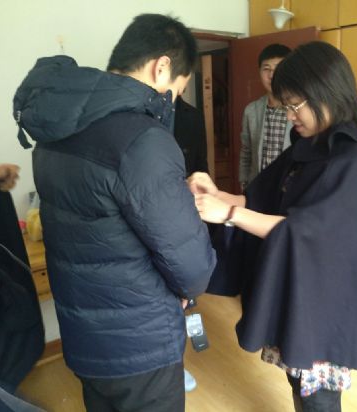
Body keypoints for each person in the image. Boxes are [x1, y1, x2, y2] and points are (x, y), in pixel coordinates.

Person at [13, 14, 216, 412]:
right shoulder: (143, 138)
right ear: (162, 67)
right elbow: (192, 267)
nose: (172, 103)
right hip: (139, 343)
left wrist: (169, 192)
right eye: (177, 91)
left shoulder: (56, 128)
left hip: (84, 336)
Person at [189, 41, 357, 412]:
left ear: (324, 92)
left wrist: (229, 214)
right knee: (298, 379)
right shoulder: (308, 146)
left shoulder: (353, 158)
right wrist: (218, 195)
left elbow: (306, 232)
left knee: (317, 394)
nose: (289, 116)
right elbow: (262, 200)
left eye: (294, 105)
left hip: (326, 299)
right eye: (285, 105)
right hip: (299, 284)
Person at [173, 94, 209, 392]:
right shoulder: (136, 115)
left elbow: (200, 162)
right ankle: (172, 365)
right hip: (153, 209)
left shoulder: (192, 116)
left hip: (186, 206)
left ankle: (176, 362)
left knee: (182, 292)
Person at [239, 43, 292, 190]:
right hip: (259, 187)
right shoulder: (251, 110)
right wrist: (244, 183)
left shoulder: (299, 110)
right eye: (266, 69)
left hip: (290, 189)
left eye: (278, 68)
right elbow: (246, 151)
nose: (271, 75)